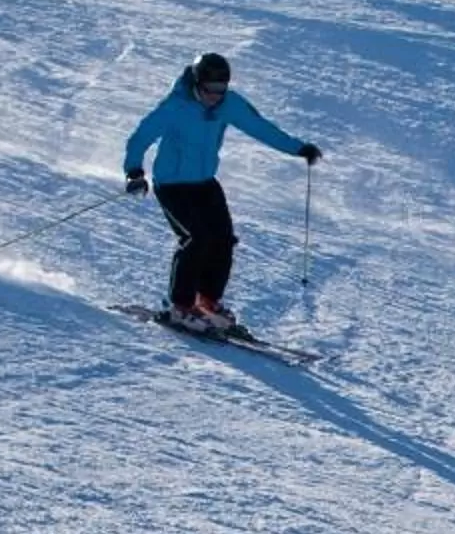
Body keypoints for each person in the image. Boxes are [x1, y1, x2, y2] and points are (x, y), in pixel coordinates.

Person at [122, 52, 319, 334]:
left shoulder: (229, 104)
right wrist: (134, 172)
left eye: (220, 90)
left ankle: (207, 302)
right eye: (209, 90)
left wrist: (298, 148)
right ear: (197, 83)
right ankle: (180, 307)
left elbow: (260, 127)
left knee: (223, 240)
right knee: (196, 239)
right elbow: (141, 137)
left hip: (205, 182)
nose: (215, 97)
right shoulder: (175, 106)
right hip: (172, 184)